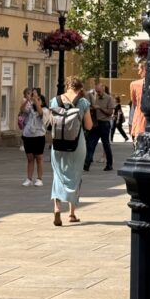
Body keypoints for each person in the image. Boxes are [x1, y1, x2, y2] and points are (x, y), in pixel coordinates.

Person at [50, 76, 94, 226]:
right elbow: (88, 126)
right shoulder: (82, 102)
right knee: (75, 175)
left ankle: (56, 208)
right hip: (76, 143)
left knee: (58, 174)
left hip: (58, 143)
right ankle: (72, 213)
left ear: (67, 86)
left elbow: (51, 122)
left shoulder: (55, 100)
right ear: (80, 88)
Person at [83, 82, 115, 171]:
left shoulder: (109, 99)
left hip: (104, 124)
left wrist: (100, 108)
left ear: (103, 90)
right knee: (91, 144)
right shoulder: (94, 98)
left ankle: (109, 164)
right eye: (97, 91)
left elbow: (110, 112)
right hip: (95, 124)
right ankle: (87, 164)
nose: (98, 93)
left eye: (99, 91)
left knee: (106, 145)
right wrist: (92, 109)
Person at [20, 88, 46, 186]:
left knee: (39, 157)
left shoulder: (45, 109)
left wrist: (35, 101)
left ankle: (39, 179)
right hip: (28, 135)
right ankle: (29, 178)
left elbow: (40, 112)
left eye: (38, 98)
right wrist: (27, 100)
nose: (34, 99)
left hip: (39, 135)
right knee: (30, 158)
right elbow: (22, 109)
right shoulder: (29, 107)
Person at [129, 61, 147, 138]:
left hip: (140, 124)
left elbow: (135, 104)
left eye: (139, 69)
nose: (138, 73)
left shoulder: (134, 84)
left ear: (145, 69)